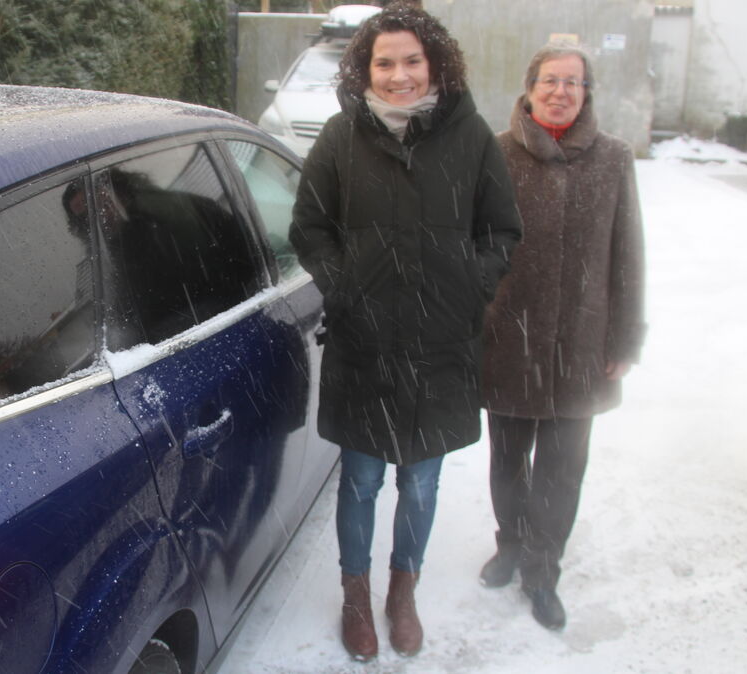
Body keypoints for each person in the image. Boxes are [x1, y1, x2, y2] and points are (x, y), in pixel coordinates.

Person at [289, 1, 522, 660]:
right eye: (384, 62)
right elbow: (309, 227)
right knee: (362, 482)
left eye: (411, 60)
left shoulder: (471, 138)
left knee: (420, 482)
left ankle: (402, 591)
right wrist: (345, 286)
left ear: (435, 63)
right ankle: (356, 595)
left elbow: (501, 229)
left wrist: (469, 286)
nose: (398, 76)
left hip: (442, 347)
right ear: (366, 67)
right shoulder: (341, 137)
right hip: (366, 345)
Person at [478, 42, 646, 631]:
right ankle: (511, 544)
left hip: (582, 345)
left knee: (563, 467)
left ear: (586, 93)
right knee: (508, 459)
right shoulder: (494, 155)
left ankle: (543, 569)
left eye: (573, 83)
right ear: (529, 88)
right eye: (551, 80)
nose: (561, 91)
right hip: (508, 339)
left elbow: (628, 254)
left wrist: (625, 339)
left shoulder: (613, 158)